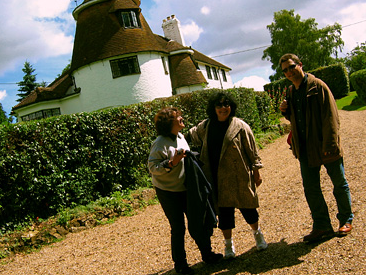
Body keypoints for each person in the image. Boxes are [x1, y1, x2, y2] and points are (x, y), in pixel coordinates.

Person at [279, 53, 354, 243]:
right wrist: (286, 112)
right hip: (304, 149)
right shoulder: (290, 92)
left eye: (291, 67)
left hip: (325, 146)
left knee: (339, 183)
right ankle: (322, 226)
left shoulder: (317, 86)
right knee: (311, 189)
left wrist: (330, 145)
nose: (289, 72)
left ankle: (346, 220)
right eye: (285, 70)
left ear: (300, 65)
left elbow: (332, 117)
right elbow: (296, 120)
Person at [186, 92, 267, 259]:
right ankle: (228, 245)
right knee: (224, 213)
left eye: (226, 104)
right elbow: (189, 135)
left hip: (239, 174)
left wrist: (256, 172)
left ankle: (258, 234)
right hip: (216, 176)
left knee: (248, 207)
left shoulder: (240, 126)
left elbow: (252, 151)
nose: (223, 108)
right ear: (213, 108)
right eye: (219, 105)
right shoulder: (206, 126)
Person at [148, 107, 222, 274]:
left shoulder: (180, 136)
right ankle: (180, 265)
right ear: (169, 123)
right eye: (177, 117)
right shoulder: (159, 143)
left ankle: (207, 254)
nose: (182, 118)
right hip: (167, 191)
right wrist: (171, 162)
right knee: (178, 227)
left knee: (197, 220)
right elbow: (152, 168)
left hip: (185, 187)